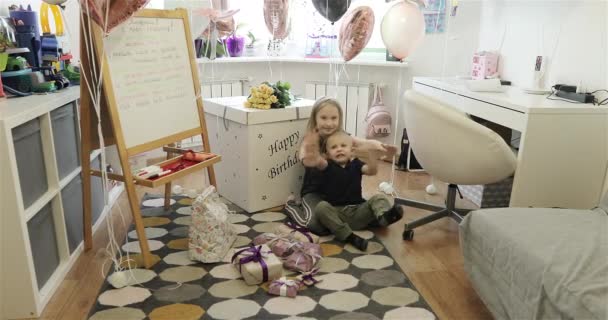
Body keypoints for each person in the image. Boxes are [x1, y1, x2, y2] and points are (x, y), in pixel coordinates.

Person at [285, 97, 398, 239]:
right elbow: (305, 157)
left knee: (376, 215)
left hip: (339, 197)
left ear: (339, 119)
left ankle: (339, 222)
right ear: (315, 119)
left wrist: (382, 147)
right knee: (315, 226)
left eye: (334, 118)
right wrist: (310, 157)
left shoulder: (343, 138)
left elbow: (364, 143)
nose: (329, 123)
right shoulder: (310, 140)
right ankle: (291, 206)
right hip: (315, 194)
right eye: (324, 118)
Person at [312, 130, 403, 251]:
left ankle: (383, 217)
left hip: (358, 210)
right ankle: (351, 237)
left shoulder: (356, 164)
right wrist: (311, 142)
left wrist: (372, 156)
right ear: (327, 154)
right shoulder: (327, 165)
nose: (339, 149)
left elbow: (372, 171)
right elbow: (316, 160)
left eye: (343, 146)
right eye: (334, 147)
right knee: (321, 207)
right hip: (338, 214)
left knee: (378, 197)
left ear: (352, 151)